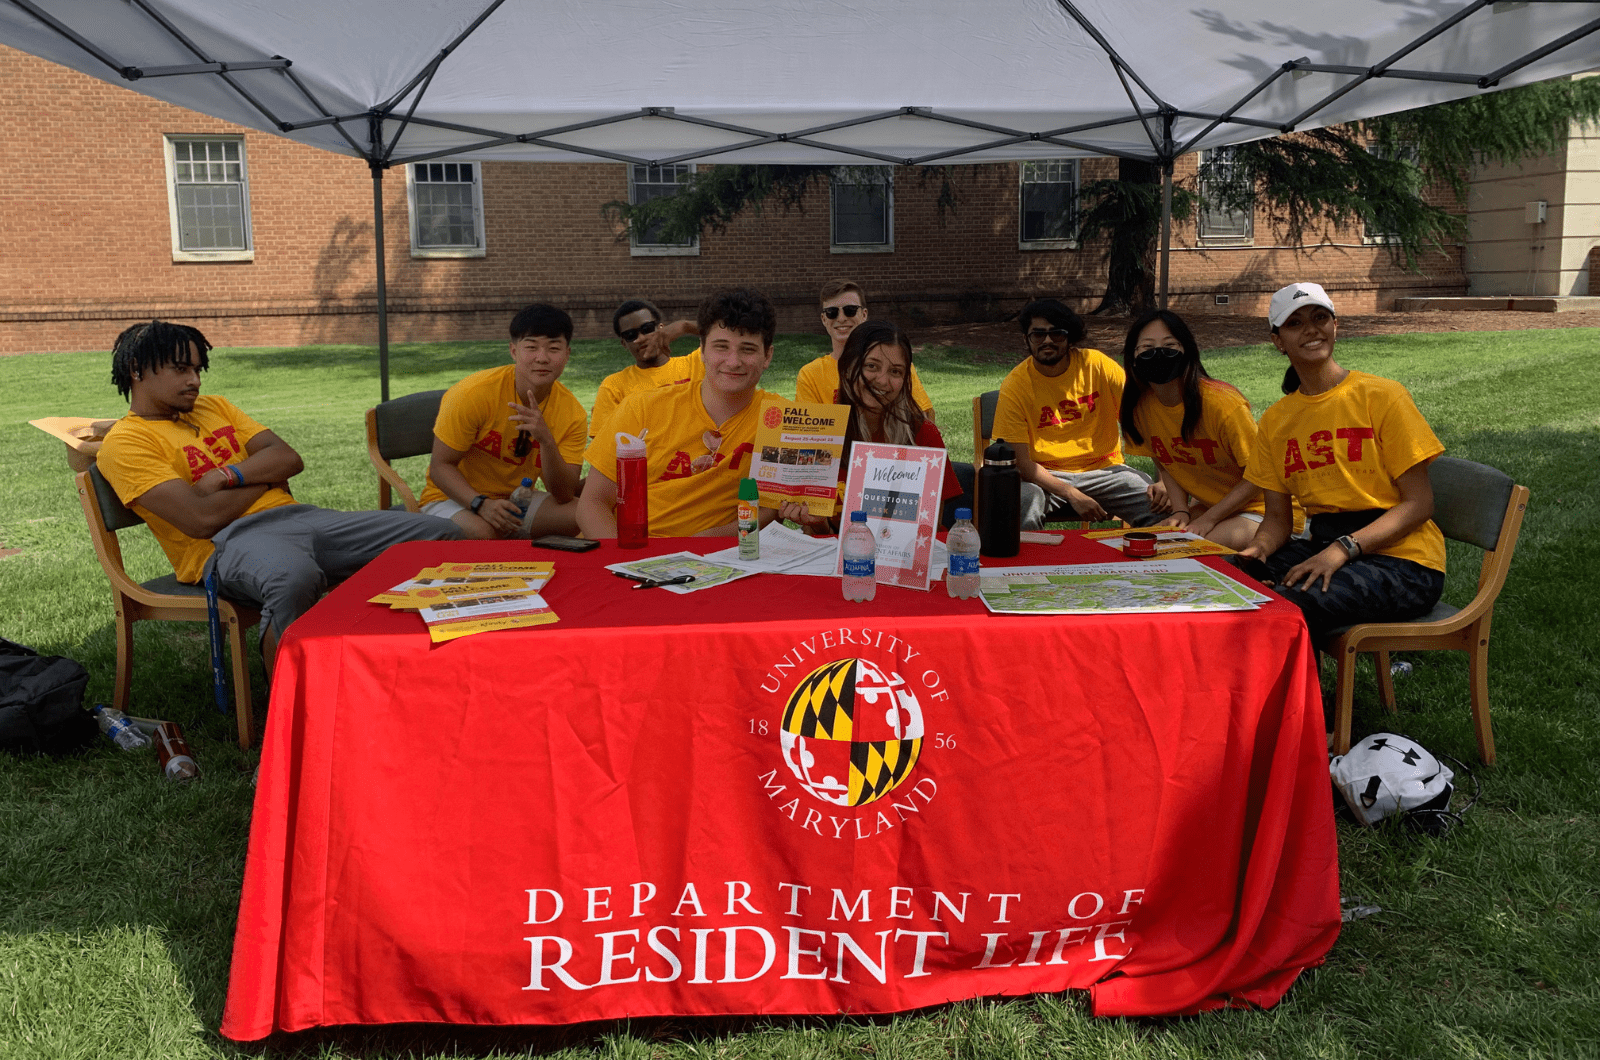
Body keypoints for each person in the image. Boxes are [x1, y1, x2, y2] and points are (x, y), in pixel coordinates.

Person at [95, 320, 459, 665]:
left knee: (443, 536)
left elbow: (287, 457)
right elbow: (199, 519)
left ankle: (415, 663)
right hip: (226, 544)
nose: (194, 381)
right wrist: (267, 479)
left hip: (302, 518)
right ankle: (288, 709)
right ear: (136, 369)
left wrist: (227, 476)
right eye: (180, 369)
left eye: (197, 370)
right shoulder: (126, 443)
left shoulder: (215, 407)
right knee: (294, 577)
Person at [1237, 282, 1446, 651]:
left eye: (1320, 318)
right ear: (1278, 341)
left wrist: (1342, 549)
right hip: (1325, 545)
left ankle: (1306, 709)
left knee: (1290, 605)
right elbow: (1277, 521)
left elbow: (1419, 504)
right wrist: (1259, 550)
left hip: (1404, 562)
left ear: (1336, 326)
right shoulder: (1276, 420)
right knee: (1230, 581)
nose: (1311, 329)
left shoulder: (1382, 396)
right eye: (1295, 323)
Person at [578, 288, 783, 538]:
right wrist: (623, 563)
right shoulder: (641, 407)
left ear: (767, 356)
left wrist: (706, 542)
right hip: (635, 552)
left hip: (723, 558)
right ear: (702, 351)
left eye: (748, 349)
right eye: (721, 347)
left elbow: (770, 512)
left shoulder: (779, 420)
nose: (733, 361)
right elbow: (593, 503)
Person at [1119, 309, 1302, 550]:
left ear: (1188, 352)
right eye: (1146, 347)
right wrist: (1181, 511)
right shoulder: (1141, 407)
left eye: (1169, 345)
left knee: (1179, 549)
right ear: (1132, 357)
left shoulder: (1222, 403)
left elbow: (1260, 474)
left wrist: (1208, 519)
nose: (1158, 354)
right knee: (1152, 543)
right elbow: (1167, 463)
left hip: (1266, 513)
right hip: (1212, 509)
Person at [779, 321, 963, 535]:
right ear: (848, 367)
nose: (882, 380)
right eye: (871, 366)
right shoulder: (822, 434)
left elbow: (927, 531)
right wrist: (816, 523)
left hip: (905, 561)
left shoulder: (922, 434)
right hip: (840, 559)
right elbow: (821, 534)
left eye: (895, 371)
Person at [421, 304, 587, 539]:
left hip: (515, 500)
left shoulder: (572, 413)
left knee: (581, 514)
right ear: (513, 350)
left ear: (567, 354)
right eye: (531, 347)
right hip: (454, 499)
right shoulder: (473, 394)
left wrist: (546, 441)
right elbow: (440, 467)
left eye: (553, 348)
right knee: (483, 532)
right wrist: (481, 504)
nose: (542, 358)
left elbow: (563, 494)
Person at [994, 298, 1156, 529]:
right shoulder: (1016, 385)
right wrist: (1071, 493)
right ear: (1026, 340)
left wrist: (1164, 482)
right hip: (1044, 476)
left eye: (1056, 333)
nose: (1047, 340)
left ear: (1069, 337)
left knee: (1155, 500)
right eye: (1038, 334)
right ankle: (1030, 564)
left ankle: (1160, 562)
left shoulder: (1097, 365)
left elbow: (1146, 423)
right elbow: (1023, 464)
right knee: (1023, 499)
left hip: (1105, 470)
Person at [793, 280, 937, 423]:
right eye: (832, 312)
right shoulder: (811, 374)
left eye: (850, 310)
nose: (841, 318)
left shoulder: (894, 364)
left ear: (864, 314)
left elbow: (923, 420)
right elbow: (808, 436)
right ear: (824, 319)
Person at [589, 299, 695, 441]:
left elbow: (731, 332)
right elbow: (603, 448)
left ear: (661, 328)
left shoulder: (695, 365)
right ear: (624, 344)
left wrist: (685, 326)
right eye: (631, 335)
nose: (641, 338)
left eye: (647, 329)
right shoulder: (614, 386)